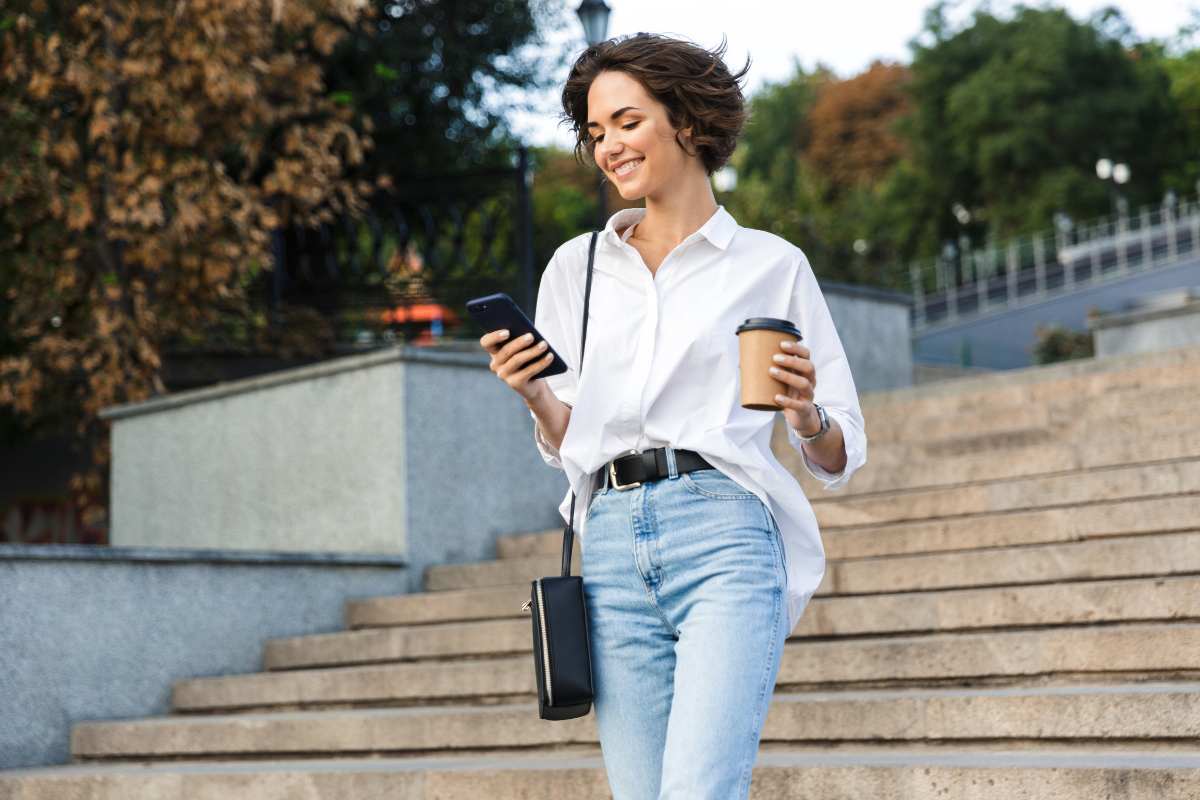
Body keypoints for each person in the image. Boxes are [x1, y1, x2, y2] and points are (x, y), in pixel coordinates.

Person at [478, 32, 868, 800]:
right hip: (613, 544)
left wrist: (804, 412)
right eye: (595, 134)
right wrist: (536, 394)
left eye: (626, 122)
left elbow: (841, 450)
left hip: (724, 532)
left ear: (687, 122)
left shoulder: (770, 263)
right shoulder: (578, 266)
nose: (608, 148)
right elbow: (572, 446)